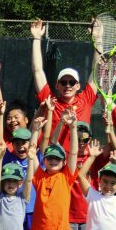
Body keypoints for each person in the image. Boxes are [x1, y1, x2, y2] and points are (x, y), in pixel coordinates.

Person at [30, 20, 98, 151]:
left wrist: (98, 40)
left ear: (78, 86)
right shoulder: (50, 100)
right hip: (54, 158)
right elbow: (37, 71)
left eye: (72, 82)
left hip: (79, 158)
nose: (68, 85)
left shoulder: (86, 99)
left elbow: (96, 71)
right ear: (57, 85)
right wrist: (37, 38)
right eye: (63, 82)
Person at [29, 109, 80, 230]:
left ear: (64, 162)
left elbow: (74, 153)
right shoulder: (39, 177)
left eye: (57, 158)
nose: (53, 160)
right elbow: (32, 151)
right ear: (44, 160)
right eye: (50, 157)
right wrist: (35, 131)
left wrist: (73, 127)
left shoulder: (66, 176)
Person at [0, 137, 38, 230]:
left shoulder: (22, 199)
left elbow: (29, 180)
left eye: (14, 181)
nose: (10, 184)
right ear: (2, 182)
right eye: (7, 180)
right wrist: (0, 158)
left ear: (20, 183)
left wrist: (31, 159)